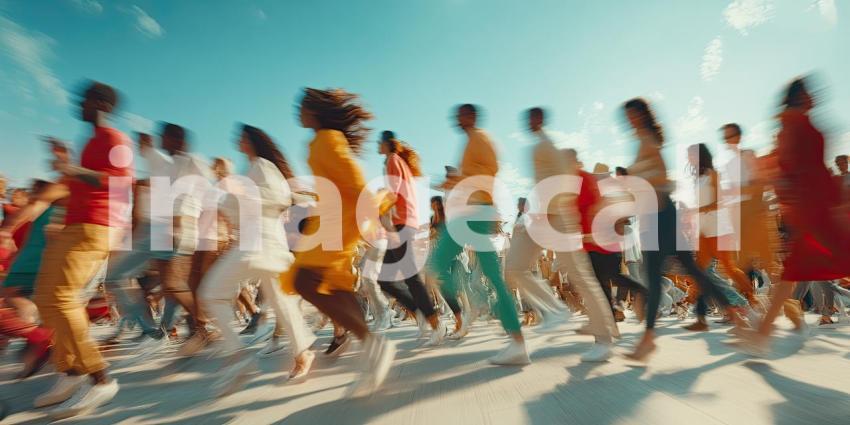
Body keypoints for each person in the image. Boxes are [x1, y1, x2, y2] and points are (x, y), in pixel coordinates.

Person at [28, 81, 130, 418]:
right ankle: (70, 372)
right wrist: (59, 214)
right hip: (74, 226)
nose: (77, 103)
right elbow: (77, 185)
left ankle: (99, 378)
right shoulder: (90, 143)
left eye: (83, 98)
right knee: (44, 297)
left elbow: (117, 182)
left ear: (101, 103)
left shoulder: (116, 140)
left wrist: (70, 168)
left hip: (95, 227)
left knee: (61, 297)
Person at [289, 88, 395, 397]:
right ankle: (372, 347)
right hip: (333, 217)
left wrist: (368, 210)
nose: (298, 110)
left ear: (315, 111)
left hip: (341, 218)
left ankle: (373, 345)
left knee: (304, 280)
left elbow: (351, 176)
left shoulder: (328, 140)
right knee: (332, 285)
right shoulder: (321, 140)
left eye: (302, 106)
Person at [736, 77, 850, 356]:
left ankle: (761, 335)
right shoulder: (794, 124)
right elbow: (787, 166)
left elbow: (786, 165)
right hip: (817, 209)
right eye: (809, 92)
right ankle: (761, 335)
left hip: (816, 207)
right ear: (799, 96)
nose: (815, 96)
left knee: (792, 273)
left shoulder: (794, 123)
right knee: (795, 271)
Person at [201, 125, 316, 394]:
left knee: (212, 293)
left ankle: (237, 357)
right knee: (281, 302)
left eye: (241, 137)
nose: (237, 141)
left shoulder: (262, 165)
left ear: (252, 141)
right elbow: (238, 207)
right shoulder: (252, 169)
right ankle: (303, 353)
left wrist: (238, 194)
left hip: (258, 244)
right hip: (263, 245)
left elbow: (279, 197)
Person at [622, 98, 739, 361]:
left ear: (643, 116)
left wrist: (633, 179)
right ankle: (731, 312)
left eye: (634, 115)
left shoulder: (648, 140)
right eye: (628, 116)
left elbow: (661, 179)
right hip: (654, 215)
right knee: (685, 271)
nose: (631, 120)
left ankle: (649, 338)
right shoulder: (643, 140)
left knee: (675, 273)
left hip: (661, 215)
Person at [430, 104, 529, 365]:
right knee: (493, 277)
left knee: (436, 266)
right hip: (474, 213)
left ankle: (482, 304)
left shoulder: (480, 139)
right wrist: (451, 182)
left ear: (471, 116)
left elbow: (490, 172)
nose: (456, 118)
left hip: (476, 214)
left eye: (461, 114)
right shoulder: (471, 142)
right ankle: (516, 341)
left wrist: (459, 180)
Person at [376, 130, 447, 346]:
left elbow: (391, 194)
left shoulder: (393, 160)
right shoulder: (397, 162)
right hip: (403, 223)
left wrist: (381, 214)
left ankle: (435, 322)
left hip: (401, 224)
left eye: (379, 143)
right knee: (385, 280)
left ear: (386, 144)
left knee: (410, 277)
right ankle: (420, 311)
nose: (377, 146)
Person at [685, 143, 759, 331]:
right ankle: (706, 316)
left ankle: (748, 302)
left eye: (691, 154)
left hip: (717, 226)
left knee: (728, 268)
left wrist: (695, 210)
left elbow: (718, 202)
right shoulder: (698, 177)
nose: (688, 158)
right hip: (704, 228)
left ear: (700, 156)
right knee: (702, 272)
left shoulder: (712, 174)